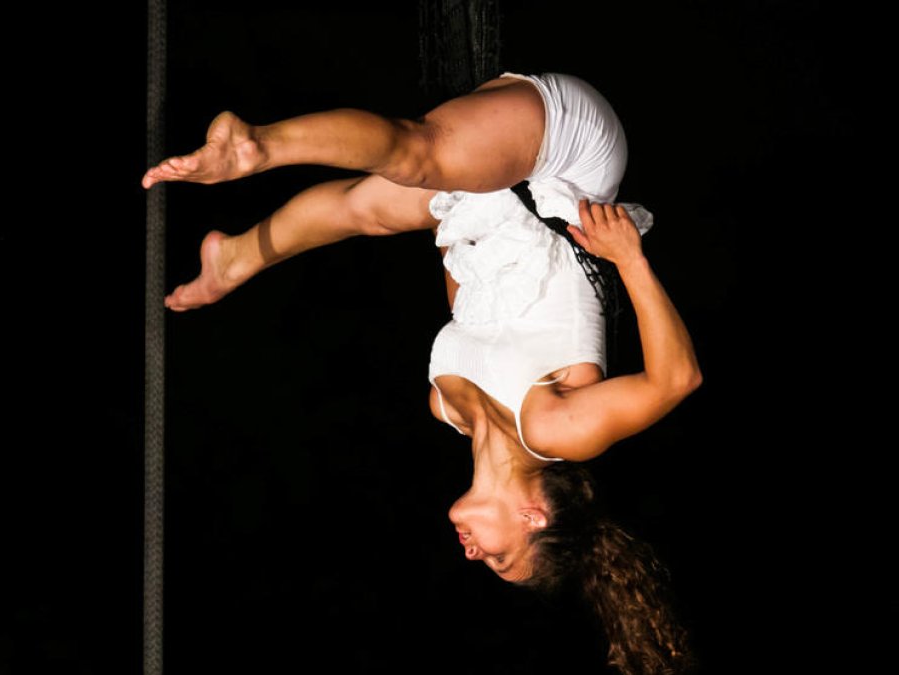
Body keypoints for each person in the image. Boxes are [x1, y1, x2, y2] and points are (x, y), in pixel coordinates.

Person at [144, 71, 700, 673]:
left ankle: (233, 258)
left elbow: (466, 278)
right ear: (532, 519)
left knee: (368, 210)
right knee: (419, 155)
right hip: (567, 167)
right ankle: (253, 145)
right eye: (500, 559)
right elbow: (676, 379)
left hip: (493, 201)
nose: (473, 556)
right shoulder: (555, 430)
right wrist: (628, 258)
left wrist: (447, 212)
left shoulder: (448, 406)